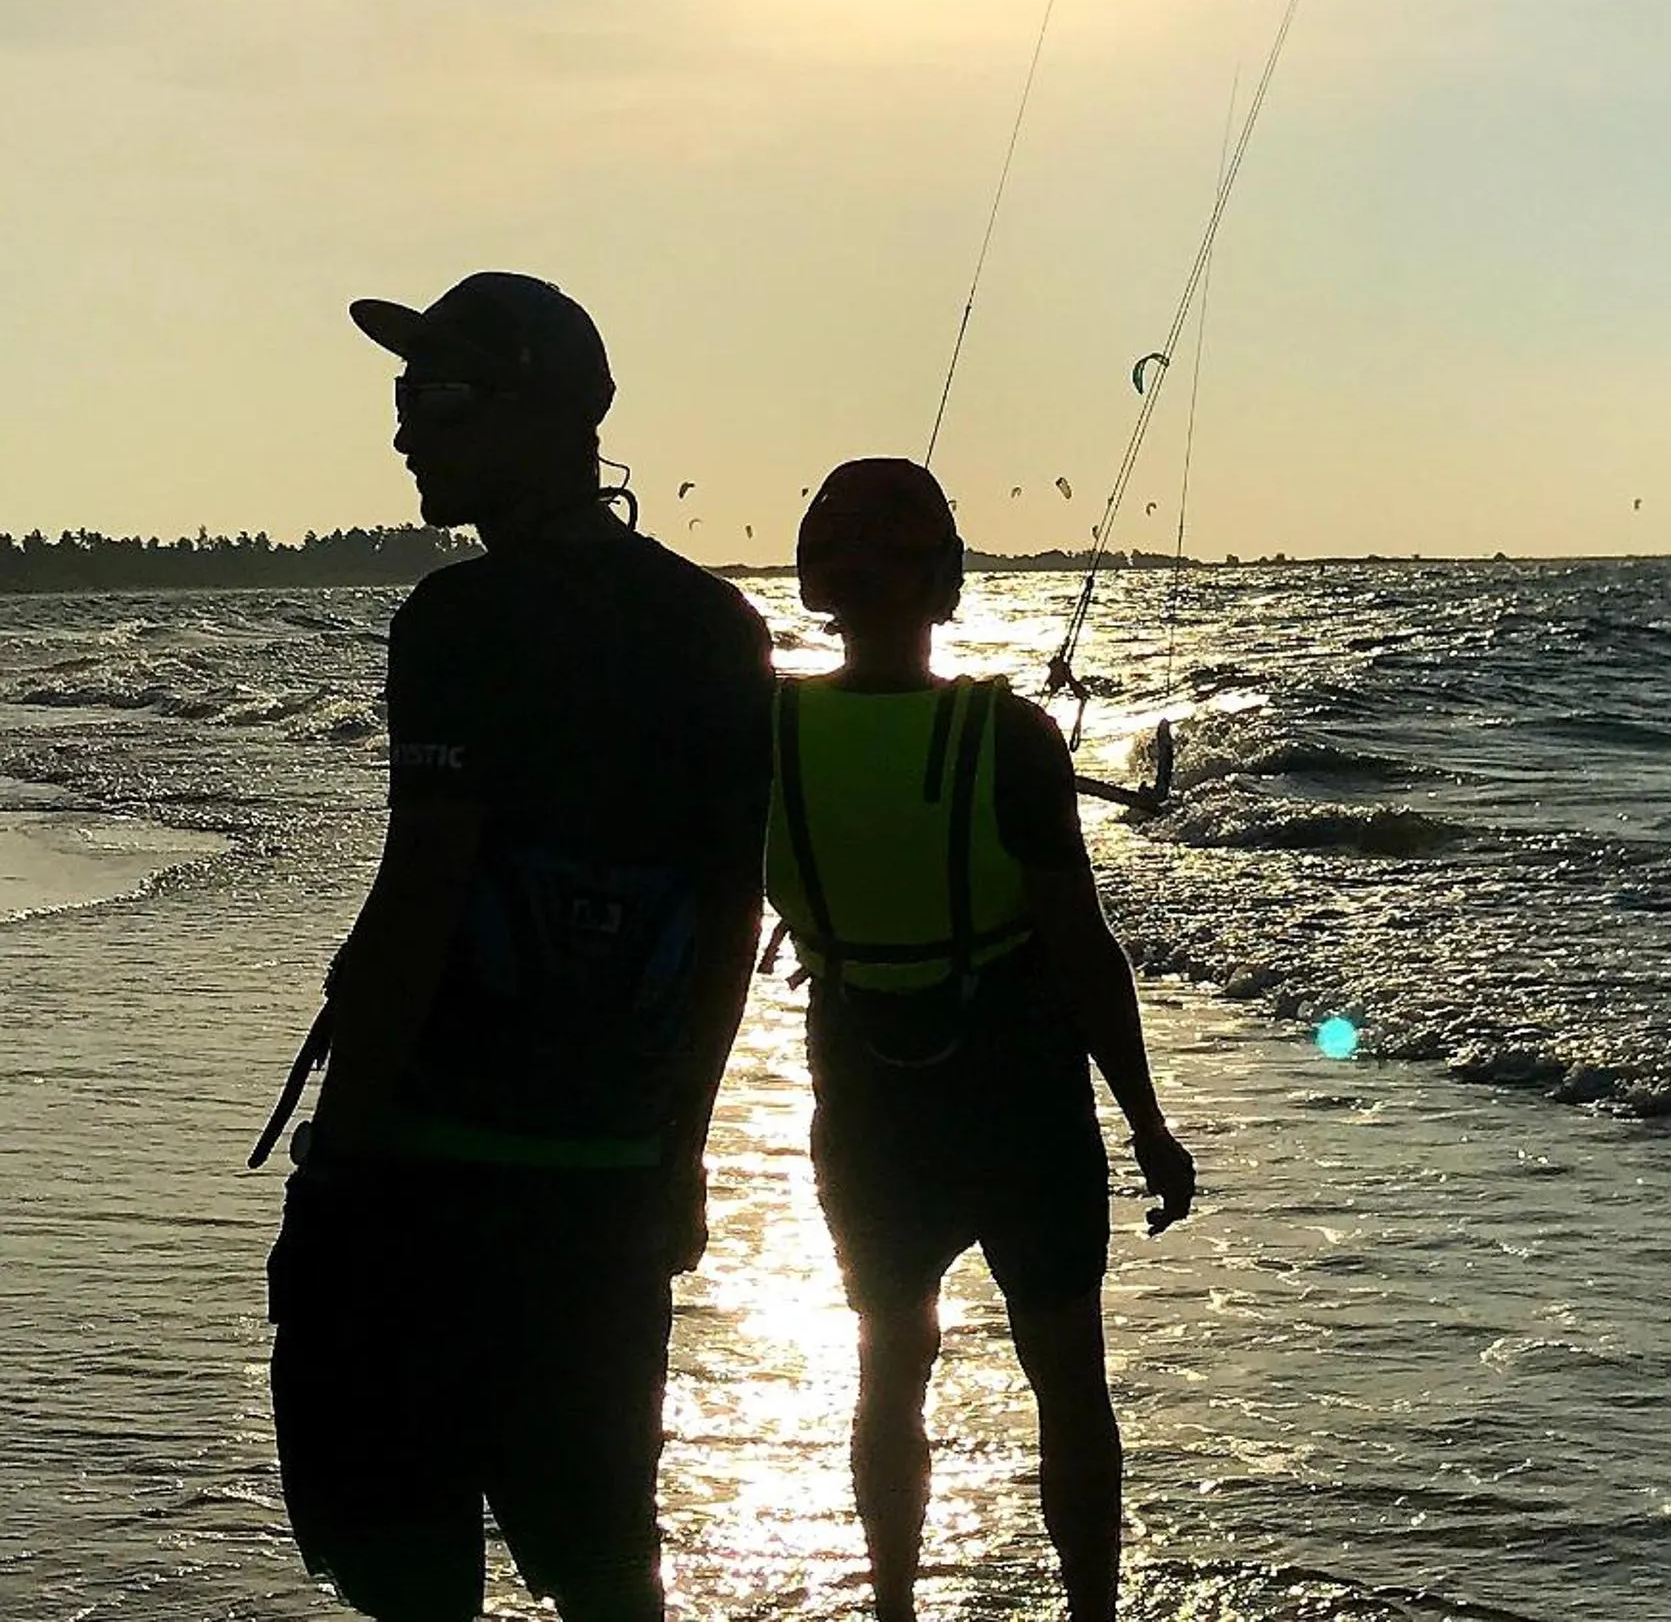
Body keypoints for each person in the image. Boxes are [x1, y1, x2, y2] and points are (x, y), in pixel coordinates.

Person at [264, 273, 774, 1622]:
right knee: (605, 1562)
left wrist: (333, 1165)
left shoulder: (459, 626)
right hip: (608, 1180)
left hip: (426, 1175)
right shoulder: (720, 631)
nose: (406, 434)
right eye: (402, 399)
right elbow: (732, 917)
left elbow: (421, 898)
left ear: (550, 411)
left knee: (400, 1559)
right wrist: (682, 1152)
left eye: (439, 398)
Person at [769, 457, 1195, 1622]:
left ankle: (896, 1610)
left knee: (887, 1374)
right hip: (1019, 1094)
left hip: (860, 1091)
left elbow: (719, 938)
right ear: (945, 585)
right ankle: (1092, 1615)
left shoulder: (768, 735)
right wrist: (1149, 1125)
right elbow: (1084, 954)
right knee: (1067, 1381)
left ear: (821, 582)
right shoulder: (1008, 737)